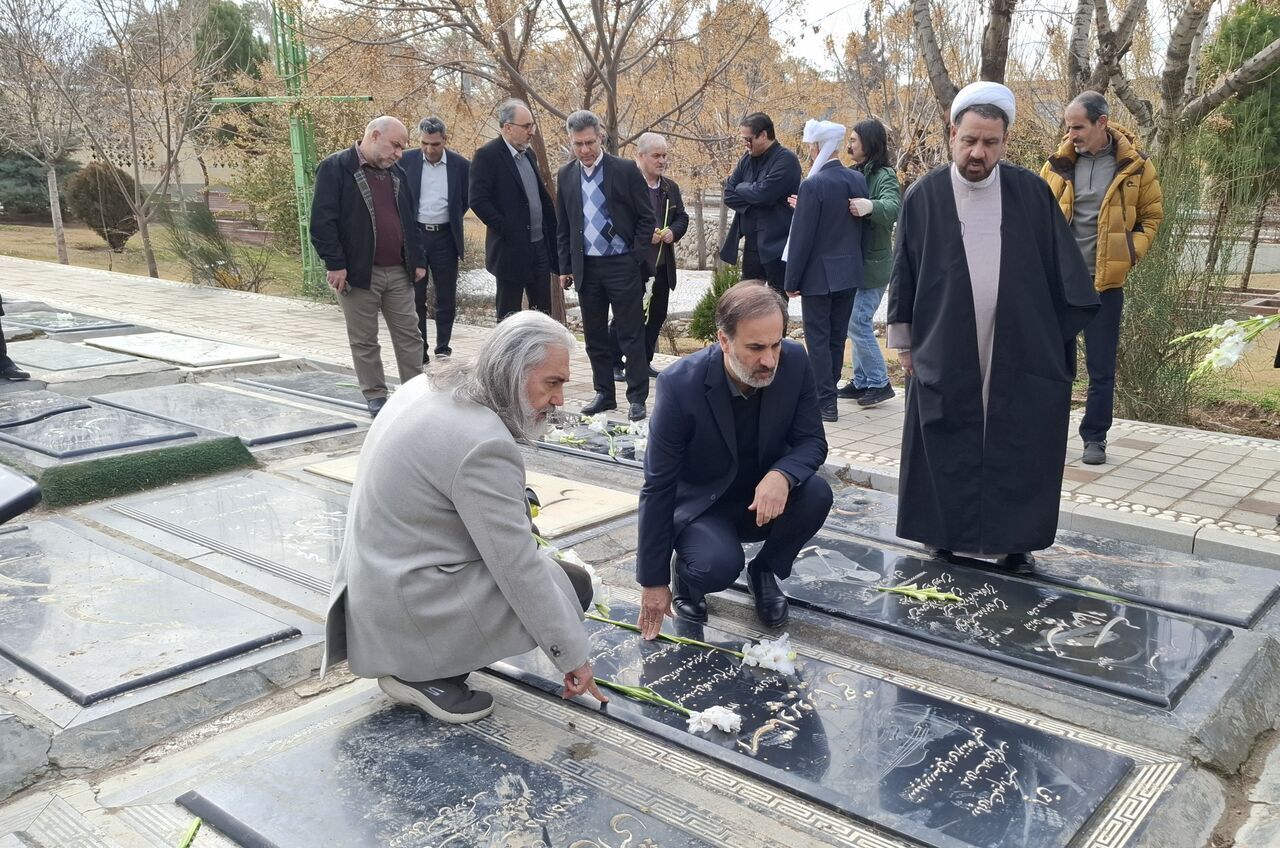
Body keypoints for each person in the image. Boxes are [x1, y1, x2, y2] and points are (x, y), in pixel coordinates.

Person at [322, 311, 609, 723]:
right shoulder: (482, 442)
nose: (559, 400)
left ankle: (425, 659)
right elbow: (516, 566)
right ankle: (426, 675)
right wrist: (572, 655)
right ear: (513, 372)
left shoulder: (428, 386)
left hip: (378, 583)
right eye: (552, 383)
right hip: (409, 604)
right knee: (572, 585)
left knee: (552, 581)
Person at [886, 81, 1099, 573]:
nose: (978, 153)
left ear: (1005, 142)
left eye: (990, 142)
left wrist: (1052, 341)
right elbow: (905, 272)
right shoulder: (924, 196)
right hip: (945, 344)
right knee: (946, 433)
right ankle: (943, 535)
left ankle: (1015, 539)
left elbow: (1063, 274)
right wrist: (905, 342)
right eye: (969, 140)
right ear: (952, 134)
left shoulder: (1031, 192)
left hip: (1018, 347)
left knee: (1019, 436)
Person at [635, 282, 832, 635]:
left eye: (775, 344)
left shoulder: (794, 362)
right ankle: (688, 580)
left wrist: (782, 475)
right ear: (724, 341)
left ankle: (765, 570)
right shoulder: (679, 385)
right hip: (704, 507)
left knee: (817, 493)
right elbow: (658, 485)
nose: (769, 360)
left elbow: (812, 441)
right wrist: (653, 579)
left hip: (763, 501)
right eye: (755, 347)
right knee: (716, 566)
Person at [1041, 91, 1163, 466]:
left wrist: (1128, 255)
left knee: (1101, 369)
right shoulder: (1057, 164)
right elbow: (1036, 214)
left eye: (1078, 127)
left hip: (1104, 285)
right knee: (1050, 366)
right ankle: (1045, 435)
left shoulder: (1136, 167)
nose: (1071, 134)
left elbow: (1152, 216)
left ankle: (1095, 438)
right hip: (1059, 285)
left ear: (1102, 123)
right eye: (1068, 127)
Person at [310, 116, 426, 418]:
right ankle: (375, 396)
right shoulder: (336, 168)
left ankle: (416, 393)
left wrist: (418, 259)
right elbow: (322, 222)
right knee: (364, 339)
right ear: (374, 136)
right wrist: (335, 264)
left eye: (402, 148)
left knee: (410, 336)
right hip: (358, 273)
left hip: (398, 271)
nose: (399, 153)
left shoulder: (397, 173)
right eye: (395, 145)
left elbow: (410, 220)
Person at [555, 110, 655, 422]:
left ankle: (637, 397)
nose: (584, 150)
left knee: (630, 334)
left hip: (622, 264)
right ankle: (604, 393)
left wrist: (636, 256)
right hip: (587, 268)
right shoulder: (566, 175)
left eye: (589, 142)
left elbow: (646, 218)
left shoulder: (624, 170)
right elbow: (563, 226)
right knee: (595, 336)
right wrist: (565, 266)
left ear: (600, 137)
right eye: (578, 144)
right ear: (571, 142)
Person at [783, 119, 868, 423]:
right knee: (836, 337)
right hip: (849, 272)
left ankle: (825, 402)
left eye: (810, 146)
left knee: (817, 340)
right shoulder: (857, 180)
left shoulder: (813, 184)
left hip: (818, 276)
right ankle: (828, 393)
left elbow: (802, 238)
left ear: (817, 147)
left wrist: (791, 280)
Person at [469, 99, 560, 320]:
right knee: (508, 315)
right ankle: (507, 346)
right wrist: (507, 228)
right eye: (526, 126)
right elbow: (478, 200)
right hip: (510, 249)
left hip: (539, 247)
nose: (532, 132)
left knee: (542, 314)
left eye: (532, 126)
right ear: (508, 127)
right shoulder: (487, 156)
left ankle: (540, 344)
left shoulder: (529, 155)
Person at [608, 132, 689, 381]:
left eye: (664, 155)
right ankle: (613, 363)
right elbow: (616, 222)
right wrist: (643, 236)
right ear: (640, 156)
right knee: (626, 315)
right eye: (656, 156)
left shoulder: (669, 188)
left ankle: (643, 362)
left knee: (656, 315)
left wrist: (673, 232)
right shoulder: (626, 185)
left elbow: (682, 217)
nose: (662, 160)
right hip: (634, 264)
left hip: (662, 264)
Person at [836, 118, 902, 409]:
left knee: (858, 321)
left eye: (854, 140)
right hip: (854, 263)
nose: (849, 144)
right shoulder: (853, 173)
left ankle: (879, 382)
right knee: (854, 322)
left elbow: (893, 207)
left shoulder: (884, 175)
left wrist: (870, 206)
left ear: (869, 143)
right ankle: (862, 381)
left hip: (873, 265)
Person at [400, 116, 470, 362]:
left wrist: (449, 219)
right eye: (425, 143)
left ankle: (443, 348)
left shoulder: (461, 166)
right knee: (416, 296)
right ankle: (421, 350)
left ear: (445, 140)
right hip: (416, 236)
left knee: (446, 296)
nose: (429, 149)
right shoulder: (405, 161)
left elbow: (465, 200)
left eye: (435, 144)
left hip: (445, 237)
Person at [720, 113, 802, 299]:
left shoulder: (786, 160)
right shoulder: (746, 159)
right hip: (752, 244)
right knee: (747, 300)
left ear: (763, 135)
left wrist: (743, 188)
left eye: (748, 139)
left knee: (777, 302)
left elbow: (764, 194)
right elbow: (729, 195)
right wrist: (755, 199)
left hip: (777, 245)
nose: (745, 144)